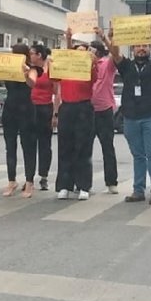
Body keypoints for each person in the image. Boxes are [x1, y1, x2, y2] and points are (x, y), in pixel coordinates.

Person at [106, 24, 151, 205]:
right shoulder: (127, 66)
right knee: (138, 155)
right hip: (131, 117)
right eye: (138, 46)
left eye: (145, 45)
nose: (142, 48)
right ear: (132, 49)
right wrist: (112, 38)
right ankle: (138, 190)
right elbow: (115, 54)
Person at [0, 44, 39, 198]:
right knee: (10, 146)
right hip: (10, 108)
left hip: (27, 109)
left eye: (16, 54)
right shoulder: (8, 69)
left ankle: (29, 181)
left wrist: (24, 72)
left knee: (28, 146)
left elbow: (32, 83)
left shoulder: (33, 69)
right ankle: (12, 180)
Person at [54, 30, 98, 200]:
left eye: (83, 52)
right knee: (65, 147)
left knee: (83, 147)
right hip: (67, 108)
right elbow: (56, 74)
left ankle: (84, 185)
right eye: (76, 52)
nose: (79, 55)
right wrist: (69, 38)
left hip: (84, 108)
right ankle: (64, 185)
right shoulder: (66, 69)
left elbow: (95, 78)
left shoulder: (90, 69)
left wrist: (93, 63)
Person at [90, 35, 119, 194]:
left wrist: (110, 38)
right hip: (87, 110)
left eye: (92, 51)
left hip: (105, 110)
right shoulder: (84, 65)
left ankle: (111, 182)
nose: (89, 53)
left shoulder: (107, 64)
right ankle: (82, 182)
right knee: (84, 147)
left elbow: (115, 54)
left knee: (107, 147)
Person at [29, 44, 57, 193]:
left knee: (45, 144)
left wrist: (55, 114)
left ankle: (44, 176)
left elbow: (56, 91)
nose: (30, 56)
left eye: (32, 53)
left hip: (45, 107)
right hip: (30, 107)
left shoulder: (50, 68)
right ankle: (29, 177)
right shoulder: (29, 68)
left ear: (39, 55)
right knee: (30, 143)